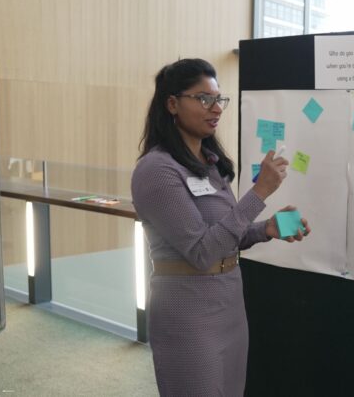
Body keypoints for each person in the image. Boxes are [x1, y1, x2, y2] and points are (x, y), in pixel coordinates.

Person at [131, 58, 311, 396]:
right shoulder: (156, 170)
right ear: (172, 103)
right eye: (204, 99)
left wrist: (268, 228)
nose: (216, 108)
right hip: (188, 313)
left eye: (219, 99)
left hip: (229, 305)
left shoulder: (210, 164)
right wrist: (260, 192)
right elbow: (202, 251)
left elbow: (231, 235)